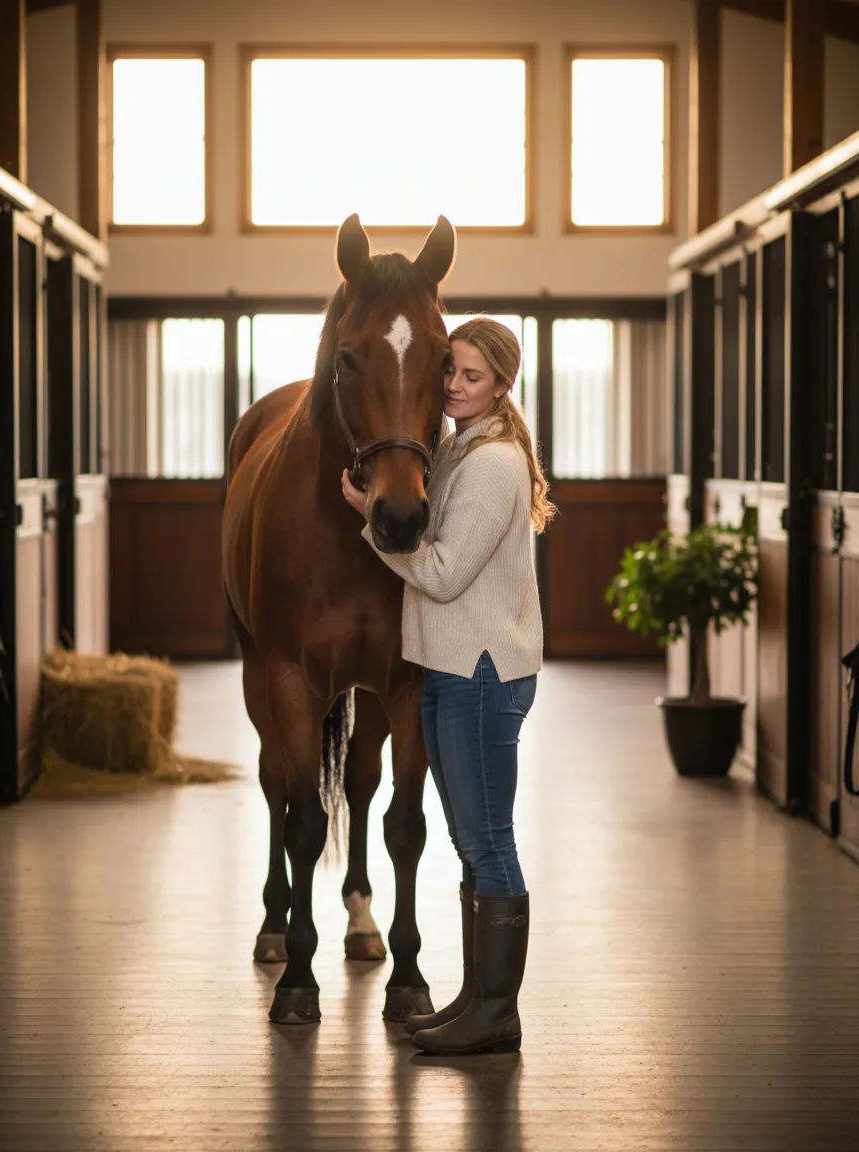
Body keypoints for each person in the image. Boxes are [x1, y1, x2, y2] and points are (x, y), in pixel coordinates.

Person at [341, 316, 552, 1056]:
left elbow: (440, 573)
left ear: (501, 385)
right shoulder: (459, 446)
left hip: (482, 675)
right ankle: (476, 1000)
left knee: (488, 840)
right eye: (449, 374)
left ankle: (497, 1014)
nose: (455, 388)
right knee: (470, 841)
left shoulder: (492, 463)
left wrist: (370, 518)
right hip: (454, 670)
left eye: (471, 377)